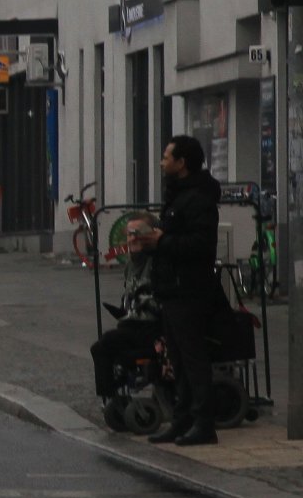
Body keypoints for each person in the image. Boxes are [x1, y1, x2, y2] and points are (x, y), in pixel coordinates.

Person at [136, 135, 224, 446]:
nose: (162, 162)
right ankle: (182, 419)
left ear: (181, 163)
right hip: (171, 289)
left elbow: (202, 245)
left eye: (166, 157)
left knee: (193, 359)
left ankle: (204, 423)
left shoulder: (198, 198)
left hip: (188, 289)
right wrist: (152, 241)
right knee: (178, 360)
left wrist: (162, 241)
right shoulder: (178, 195)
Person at [89, 212, 162, 428]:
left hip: (154, 328)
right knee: (105, 348)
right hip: (135, 324)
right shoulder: (131, 265)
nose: (132, 238)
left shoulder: (158, 261)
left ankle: (112, 397)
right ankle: (112, 398)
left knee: (105, 346)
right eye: (129, 234)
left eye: (138, 233)